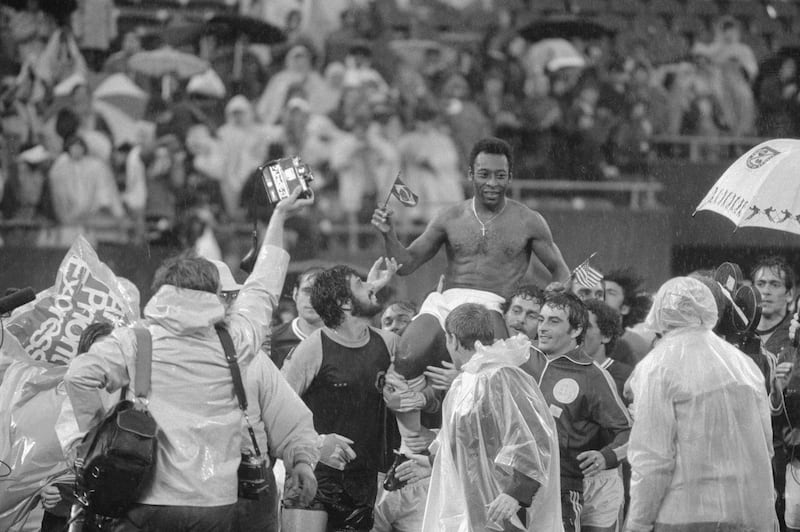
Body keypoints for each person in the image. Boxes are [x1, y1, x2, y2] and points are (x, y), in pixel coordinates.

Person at [63, 187, 313, 531]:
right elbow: (263, 286)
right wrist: (279, 217)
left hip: (146, 500)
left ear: (161, 290)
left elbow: (78, 376)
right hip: (215, 504)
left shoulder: (135, 338)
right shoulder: (236, 341)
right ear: (213, 296)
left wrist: (93, 434)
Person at [371, 136, 570, 441]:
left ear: (510, 177)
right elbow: (407, 262)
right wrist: (388, 235)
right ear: (470, 175)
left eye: (500, 175)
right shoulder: (449, 217)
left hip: (493, 304)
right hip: (446, 300)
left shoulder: (529, 221)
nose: (492, 182)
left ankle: (462, 443)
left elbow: (560, 270)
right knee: (408, 355)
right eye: (484, 174)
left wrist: (557, 289)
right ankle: (412, 442)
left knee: (485, 377)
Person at [625, 277, 776, 531]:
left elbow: (652, 458)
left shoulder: (656, 367)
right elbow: (764, 445)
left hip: (681, 513)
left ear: (660, 309)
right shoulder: (743, 364)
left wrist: (637, 523)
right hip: (743, 512)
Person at [280, 264, 414, 531]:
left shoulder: (388, 344)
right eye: (360, 283)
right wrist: (318, 443)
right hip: (312, 476)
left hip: (363, 483)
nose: (370, 286)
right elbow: (275, 414)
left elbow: (410, 405)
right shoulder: (312, 348)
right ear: (344, 303)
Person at [421, 303, 562, 531]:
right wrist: (429, 462)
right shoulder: (463, 382)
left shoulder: (503, 376)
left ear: (453, 340)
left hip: (503, 510)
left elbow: (536, 438)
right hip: (471, 508)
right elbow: (458, 443)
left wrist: (517, 493)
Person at [209, 260, 320, 532]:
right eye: (223, 296)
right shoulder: (155, 351)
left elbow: (291, 424)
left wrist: (302, 462)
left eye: (230, 297)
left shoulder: (252, 357)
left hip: (243, 490)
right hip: (216, 492)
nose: (228, 304)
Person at [523, 293, 631, 532]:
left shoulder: (592, 376)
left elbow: (628, 432)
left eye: (553, 321)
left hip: (565, 488)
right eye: (541, 319)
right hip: (518, 486)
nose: (542, 328)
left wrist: (606, 456)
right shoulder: (523, 359)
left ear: (575, 330)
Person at [268, 266, 324, 370]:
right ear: (295, 294)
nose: (313, 299)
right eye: (307, 291)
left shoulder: (345, 341)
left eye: (322, 293)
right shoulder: (272, 341)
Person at [583, 299, 631, 401]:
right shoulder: (560, 372)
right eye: (575, 326)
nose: (578, 332)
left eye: (586, 326)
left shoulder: (627, 379)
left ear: (606, 336)